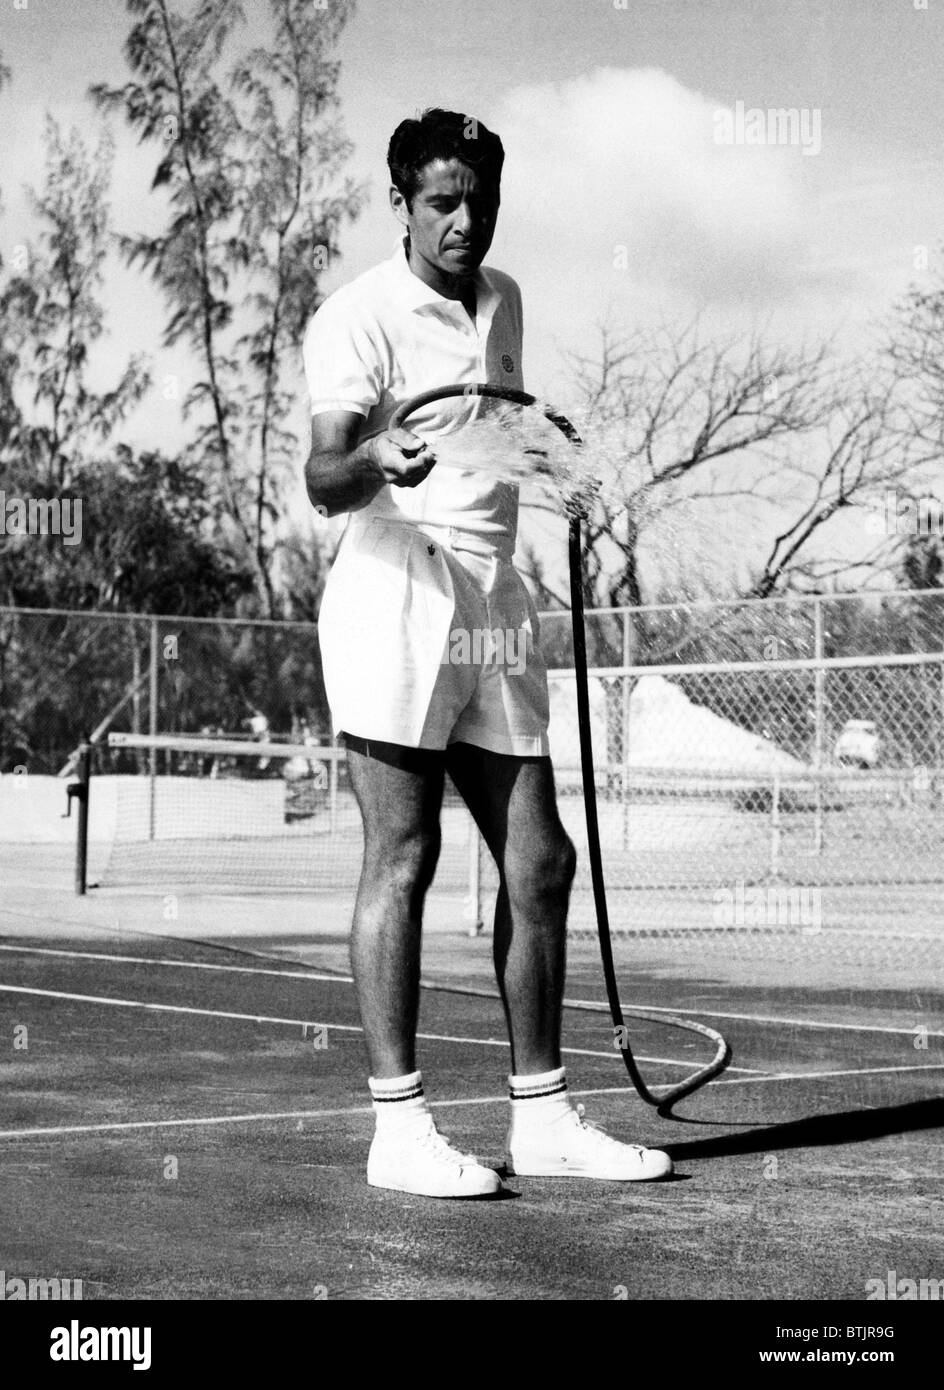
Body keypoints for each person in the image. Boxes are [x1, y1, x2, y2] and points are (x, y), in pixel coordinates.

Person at [302, 108, 672, 1197]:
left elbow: (496, 429)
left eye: (480, 202)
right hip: (395, 590)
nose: (463, 222)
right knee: (402, 856)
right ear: (400, 204)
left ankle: (543, 1114)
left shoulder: (503, 298)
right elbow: (322, 479)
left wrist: (553, 461)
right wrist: (373, 452)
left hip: (494, 600)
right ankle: (396, 1126)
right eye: (440, 203)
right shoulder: (354, 316)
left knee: (538, 858)